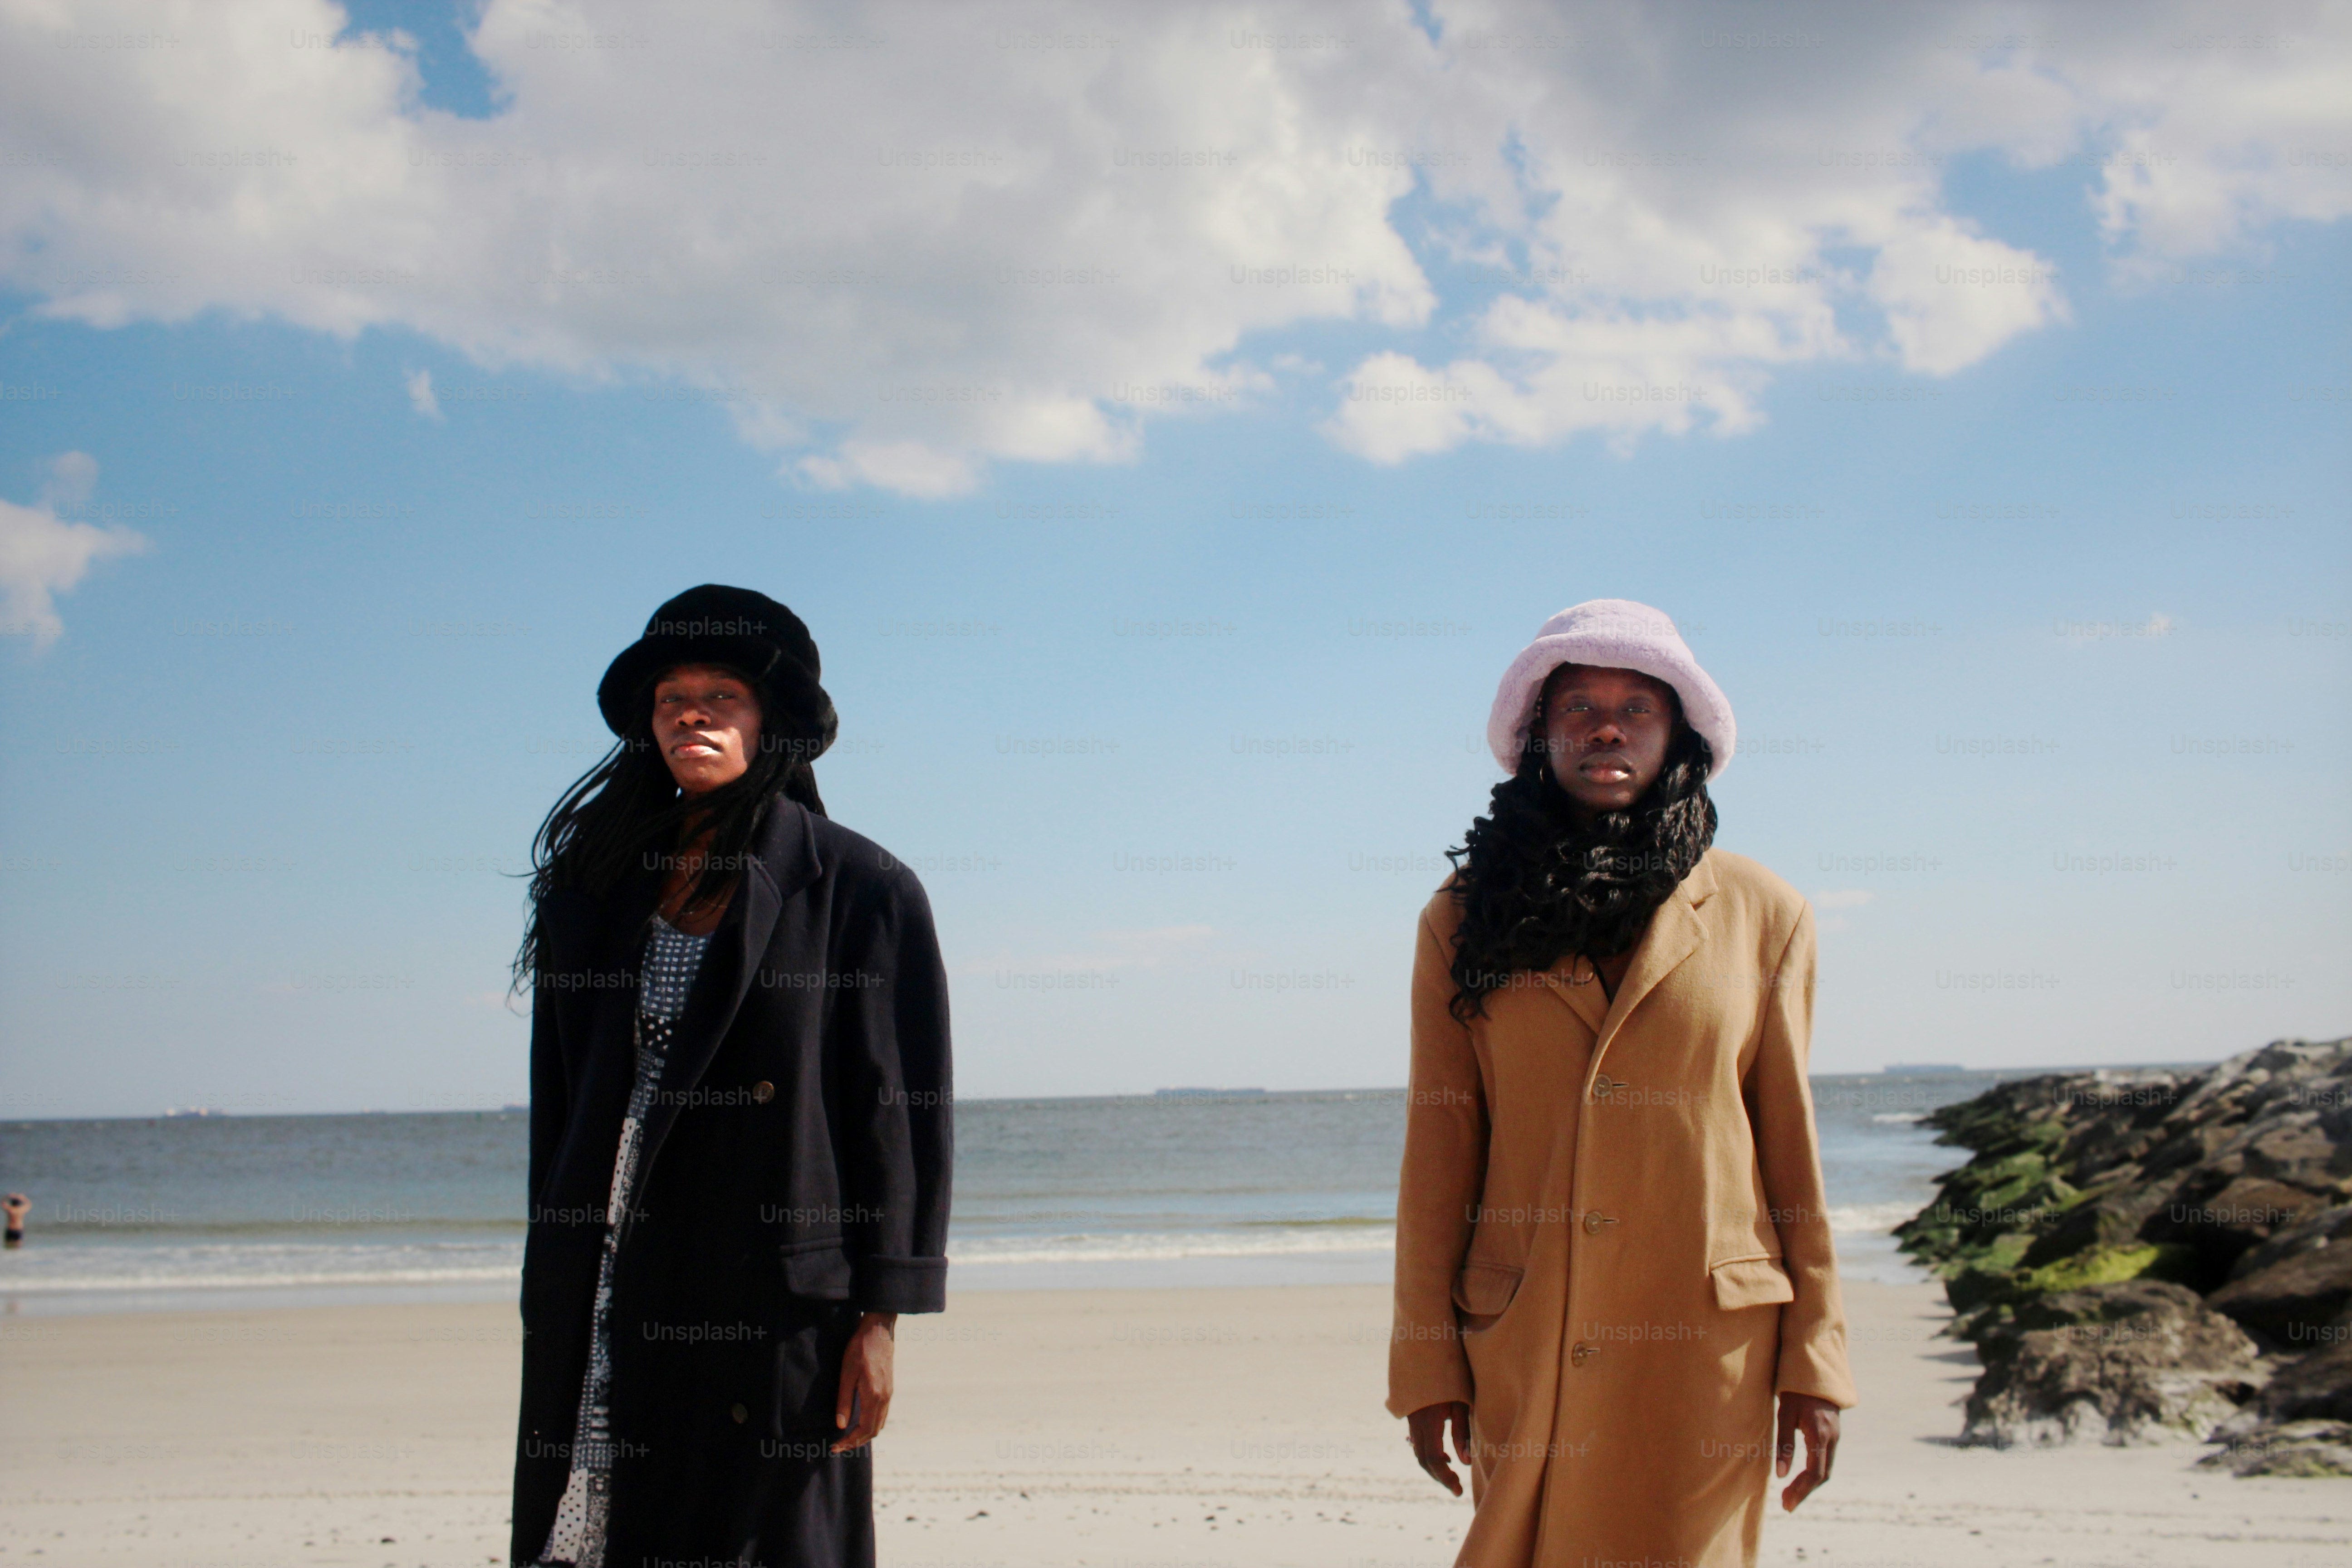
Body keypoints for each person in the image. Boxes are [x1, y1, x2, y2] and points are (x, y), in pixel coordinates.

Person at [1388, 599, 1856, 1568]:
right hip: (1528, 1337)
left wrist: (1819, 1360)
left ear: (1679, 735)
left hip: (1711, 1352)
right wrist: (1425, 1362)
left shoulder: (1766, 914)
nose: (1607, 728)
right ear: (1537, 737)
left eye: (1637, 708)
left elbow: (1790, 1152)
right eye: (1579, 708)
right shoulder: (1464, 918)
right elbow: (1439, 1154)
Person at [509, 584, 951, 1568]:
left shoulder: (862, 888)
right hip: (613, 1272)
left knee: (765, 1538)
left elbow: (899, 1116)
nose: (691, 714)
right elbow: (561, 1108)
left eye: (722, 695)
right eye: (672, 697)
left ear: (773, 721)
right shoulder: (593, 890)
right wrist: (553, 1267)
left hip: (772, 1292)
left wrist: (882, 1316)